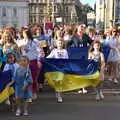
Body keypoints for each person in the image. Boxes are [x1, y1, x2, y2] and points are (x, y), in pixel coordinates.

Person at [47, 38, 68, 103]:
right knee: (56, 82)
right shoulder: (54, 50)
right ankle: (58, 92)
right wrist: (44, 59)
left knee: (60, 81)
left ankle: (59, 96)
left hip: (62, 68)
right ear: (56, 44)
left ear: (63, 44)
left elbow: (67, 59)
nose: (60, 44)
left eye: (61, 43)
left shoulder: (65, 51)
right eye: (59, 43)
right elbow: (49, 57)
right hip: (56, 68)